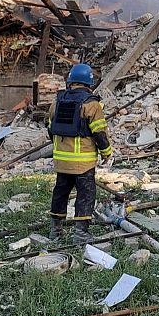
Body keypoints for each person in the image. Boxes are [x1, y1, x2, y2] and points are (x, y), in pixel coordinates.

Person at [47, 63, 112, 244]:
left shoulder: (57, 102)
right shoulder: (91, 104)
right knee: (86, 195)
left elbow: (50, 130)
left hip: (61, 162)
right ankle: (81, 233)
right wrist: (107, 152)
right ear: (89, 82)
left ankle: (55, 231)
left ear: (70, 81)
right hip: (83, 163)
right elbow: (99, 133)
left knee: (60, 193)